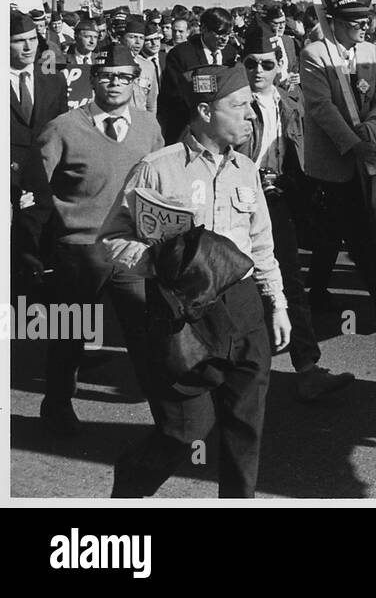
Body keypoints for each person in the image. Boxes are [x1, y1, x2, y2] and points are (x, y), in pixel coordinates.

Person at [101, 65, 290, 498]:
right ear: (205, 111)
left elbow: (261, 243)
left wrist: (276, 302)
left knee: (245, 431)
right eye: (239, 107)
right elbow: (112, 237)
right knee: (184, 431)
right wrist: (157, 260)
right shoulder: (158, 169)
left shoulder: (245, 168)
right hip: (183, 316)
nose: (250, 117)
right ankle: (129, 488)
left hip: (243, 310)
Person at [37, 44, 164, 435]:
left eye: (123, 77)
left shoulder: (149, 126)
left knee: (145, 338)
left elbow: (159, 184)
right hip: (77, 250)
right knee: (68, 335)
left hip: (129, 249)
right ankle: (56, 406)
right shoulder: (62, 127)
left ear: (135, 82)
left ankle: (169, 421)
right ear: (93, 79)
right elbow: (36, 192)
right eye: (107, 75)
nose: (114, 83)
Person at [238, 21, 354, 401]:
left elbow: (301, 152)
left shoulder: (290, 103)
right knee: (236, 290)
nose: (258, 71)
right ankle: (235, 377)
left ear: (278, 66)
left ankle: (307, 368)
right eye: (250, 63)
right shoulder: (232, 105)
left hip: (277, 202)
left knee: (290, 284)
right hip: (236, 206)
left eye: (266, 64)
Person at [300, 0, 376, 326]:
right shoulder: (315, 54)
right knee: (356, 233)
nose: (362, 28)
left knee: (334, 234)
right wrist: (352, 141)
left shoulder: (370, 51)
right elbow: (321, 107)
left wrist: (373, 127)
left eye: (365, 21)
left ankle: (316, 293)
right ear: (334, 22)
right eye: (353, 24)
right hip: (336, 158)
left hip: (368, 148)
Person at [11, 10, 69, 281]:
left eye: (32, 39)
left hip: (45, 175)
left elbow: (62, 128)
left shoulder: (53, 80)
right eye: (18, 40)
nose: (27, 47)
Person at [157, 7, 239, 142]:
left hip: (223, 129)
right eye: (220, 33)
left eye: (228, 34)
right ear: (204, 29)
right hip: (187, 129)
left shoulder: (230, 53)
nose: (224, 39)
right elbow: (174, 95)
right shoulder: (181, 55)